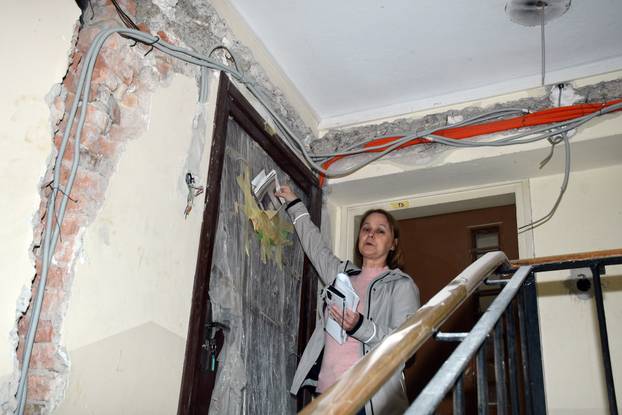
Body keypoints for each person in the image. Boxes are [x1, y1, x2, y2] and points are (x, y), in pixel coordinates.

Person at [275, 186, 420, 415]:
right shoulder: (342, 275)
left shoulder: (400, 285)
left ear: (393, 244)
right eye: (366, 229)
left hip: (367, 399)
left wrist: (360, 326)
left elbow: (406, 344)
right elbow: (315, 247)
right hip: (326, 395)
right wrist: (294, 203)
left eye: (380, 231)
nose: (370, 234)